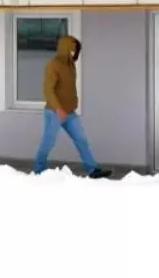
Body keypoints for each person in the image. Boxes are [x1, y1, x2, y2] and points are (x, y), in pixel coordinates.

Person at [32, 34, 111, 178]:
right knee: (47, 143)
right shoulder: (53, 64)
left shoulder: (70, 64)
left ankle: (92, 169)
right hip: (54, 112)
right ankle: (38, 172)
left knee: (81, 140)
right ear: (64, 47)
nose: (73, 52)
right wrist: (58, 108)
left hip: (70, 113)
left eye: (75, 49)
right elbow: (48, 90)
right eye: (72, 49)